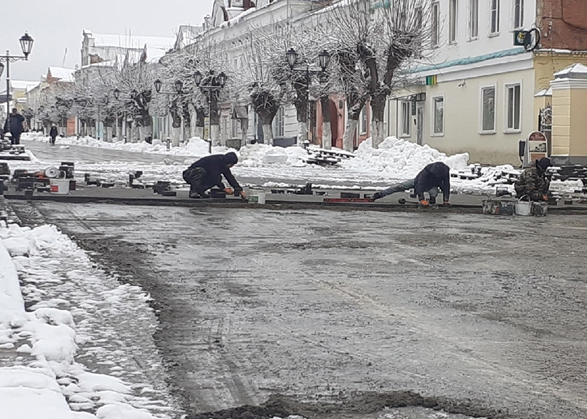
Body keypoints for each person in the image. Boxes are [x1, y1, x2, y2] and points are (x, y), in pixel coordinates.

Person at [372, 161, 451, 207]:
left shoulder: (445, 172)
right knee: (400, 187)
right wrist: (421, 199)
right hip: (418, 181)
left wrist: (446, 200)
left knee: (434, 193)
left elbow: (446, 185)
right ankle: (380, 194)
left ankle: (431, 200)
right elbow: (420, 184)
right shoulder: (426, 171)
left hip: (432, 185)